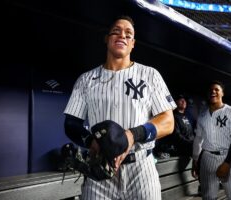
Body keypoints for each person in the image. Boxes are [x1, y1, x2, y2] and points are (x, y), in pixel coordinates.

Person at [63, 15, 176, 200]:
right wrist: (92, 141)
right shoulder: (85, 80)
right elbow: (71, 123)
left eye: (128, 34)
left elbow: (168, 122)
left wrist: (132, 135)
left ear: (133, 44)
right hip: (99, 171)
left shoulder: (150, 75)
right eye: (116, 31)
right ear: (107, 39)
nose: (122, 35)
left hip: (141, 169)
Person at [192, 80, 231, 200]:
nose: (213, 91)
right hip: (207, 158)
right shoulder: (202, 115)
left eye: (217, 89)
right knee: (208, 196)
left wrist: (227, 163)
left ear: (222, 93)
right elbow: (198, 139)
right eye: (210, 90)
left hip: (228, 157)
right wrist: (195, 160)